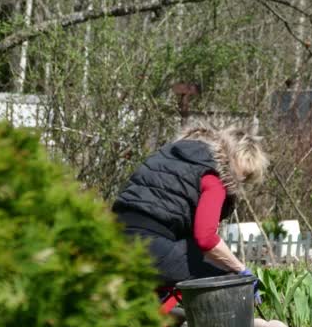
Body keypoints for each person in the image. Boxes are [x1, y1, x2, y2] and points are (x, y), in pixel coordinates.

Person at [112, 119, 268, 299]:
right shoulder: (214, 176)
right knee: (227, 280)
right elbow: (206, 239)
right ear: (237, 162)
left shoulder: (174, 154)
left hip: (115, 237)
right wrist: (241, 270)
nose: (241, 182)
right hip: (148, 246)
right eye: (245, 176)